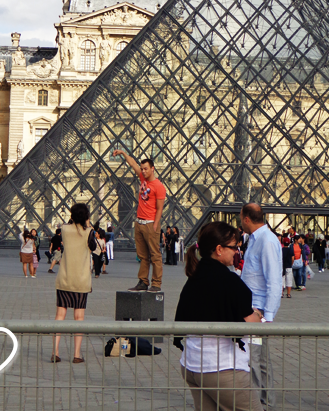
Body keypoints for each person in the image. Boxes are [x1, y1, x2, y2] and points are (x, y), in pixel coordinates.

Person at [174, 221, 263, 411]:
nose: (236, 252)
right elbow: (247, 323)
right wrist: (257, 315)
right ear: (219, 249)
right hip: (222, 368)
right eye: (234, 247)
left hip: (192, 365)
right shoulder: (229, 281)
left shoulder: (194, 278)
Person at [239, 202, 282, 410]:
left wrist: (267, 317)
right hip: (255, 309)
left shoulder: (266, 240)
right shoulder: (257, 239)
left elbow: (274, 281)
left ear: (247, 219)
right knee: (261, 361)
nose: (240, 222)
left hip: (258, 312)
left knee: (252, 360)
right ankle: (266, 402)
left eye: (240, 218)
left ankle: (255, 404)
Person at [112, 150, 166, 292]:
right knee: (142, 256)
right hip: (140, 222)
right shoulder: (143, 178)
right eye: (142, 169)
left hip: (150, 223)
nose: (143, 171)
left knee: (155, 255)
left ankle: (156, 283)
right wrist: (123, 153)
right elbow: (132, 164)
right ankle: (143, 281)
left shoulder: (159, 186)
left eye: (145, 169)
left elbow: (160, 209)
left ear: (152, 168)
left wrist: (155, 225)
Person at [52, 203, 96, 363]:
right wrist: (88, 224)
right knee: (79, 317)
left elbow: (69, 226)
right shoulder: (89, 232)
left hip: (64, 278)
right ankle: (77, 354)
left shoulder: (64, 229)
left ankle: (55, 352)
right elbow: (93, 248)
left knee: (60, 315)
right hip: (81, 281)